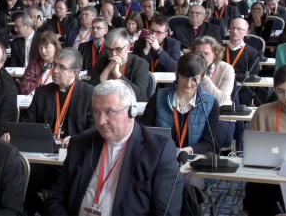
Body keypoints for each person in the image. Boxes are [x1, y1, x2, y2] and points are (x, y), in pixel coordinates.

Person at [44, 80, 184, 216]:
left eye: (109, 112)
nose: (100, 121)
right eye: (96, 112)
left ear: (131, 112)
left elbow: (166, 211)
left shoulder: (158, 151)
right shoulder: (79, 144)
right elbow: (56, 198)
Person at [21, 48, 94, 215]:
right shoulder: (42, 92)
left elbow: (95, 127)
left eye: (62, 67)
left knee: (68, 193)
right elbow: (28, 122)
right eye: (54, 65)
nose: (55, 70)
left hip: (74, 160)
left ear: (75, 72)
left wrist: (76, 139)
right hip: (45, 159)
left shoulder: (90, 94)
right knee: (19, 179)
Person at [141, 52, 220, 155]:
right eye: (184, 77)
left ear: (202, 77)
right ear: (177, 74)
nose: (188, 84)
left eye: (194, 79)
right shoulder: (158, 98)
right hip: (161, 158)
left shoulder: (211, 103)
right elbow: (144, 133)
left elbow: (209, 143)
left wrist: (188, 151)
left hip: (193, 161)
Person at [241, 65, 286, 215]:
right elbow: (251, 150)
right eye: (280, 91)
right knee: (257, 188)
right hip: (268, 176)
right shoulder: (263, 112)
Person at [89, 28, 149, 102]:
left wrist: (118, 74)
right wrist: (108, 69)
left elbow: (140, 95)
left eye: (118, 49)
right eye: (110, 50)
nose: (113, 54)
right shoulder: (102, 61)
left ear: (127, 48)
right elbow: (91, 90)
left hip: (129, 105)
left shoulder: (140, 64)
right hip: (106, 103)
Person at [223, 18, 260, 105]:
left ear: (246, 32)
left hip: (242, 88)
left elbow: (253, 75)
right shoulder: (219, 50)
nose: (235, 31)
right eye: (232, 28)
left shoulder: (252, 52)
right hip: (222, 87)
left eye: (239, 29)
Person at [191, 36, 234, 106]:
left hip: (220, 110)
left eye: (207, 53)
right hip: (195, 108)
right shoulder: (187, 66)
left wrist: (202, 76)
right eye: (198, 53)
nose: (202, 57)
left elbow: (221, 100)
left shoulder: (227, 69)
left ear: (215, 55)